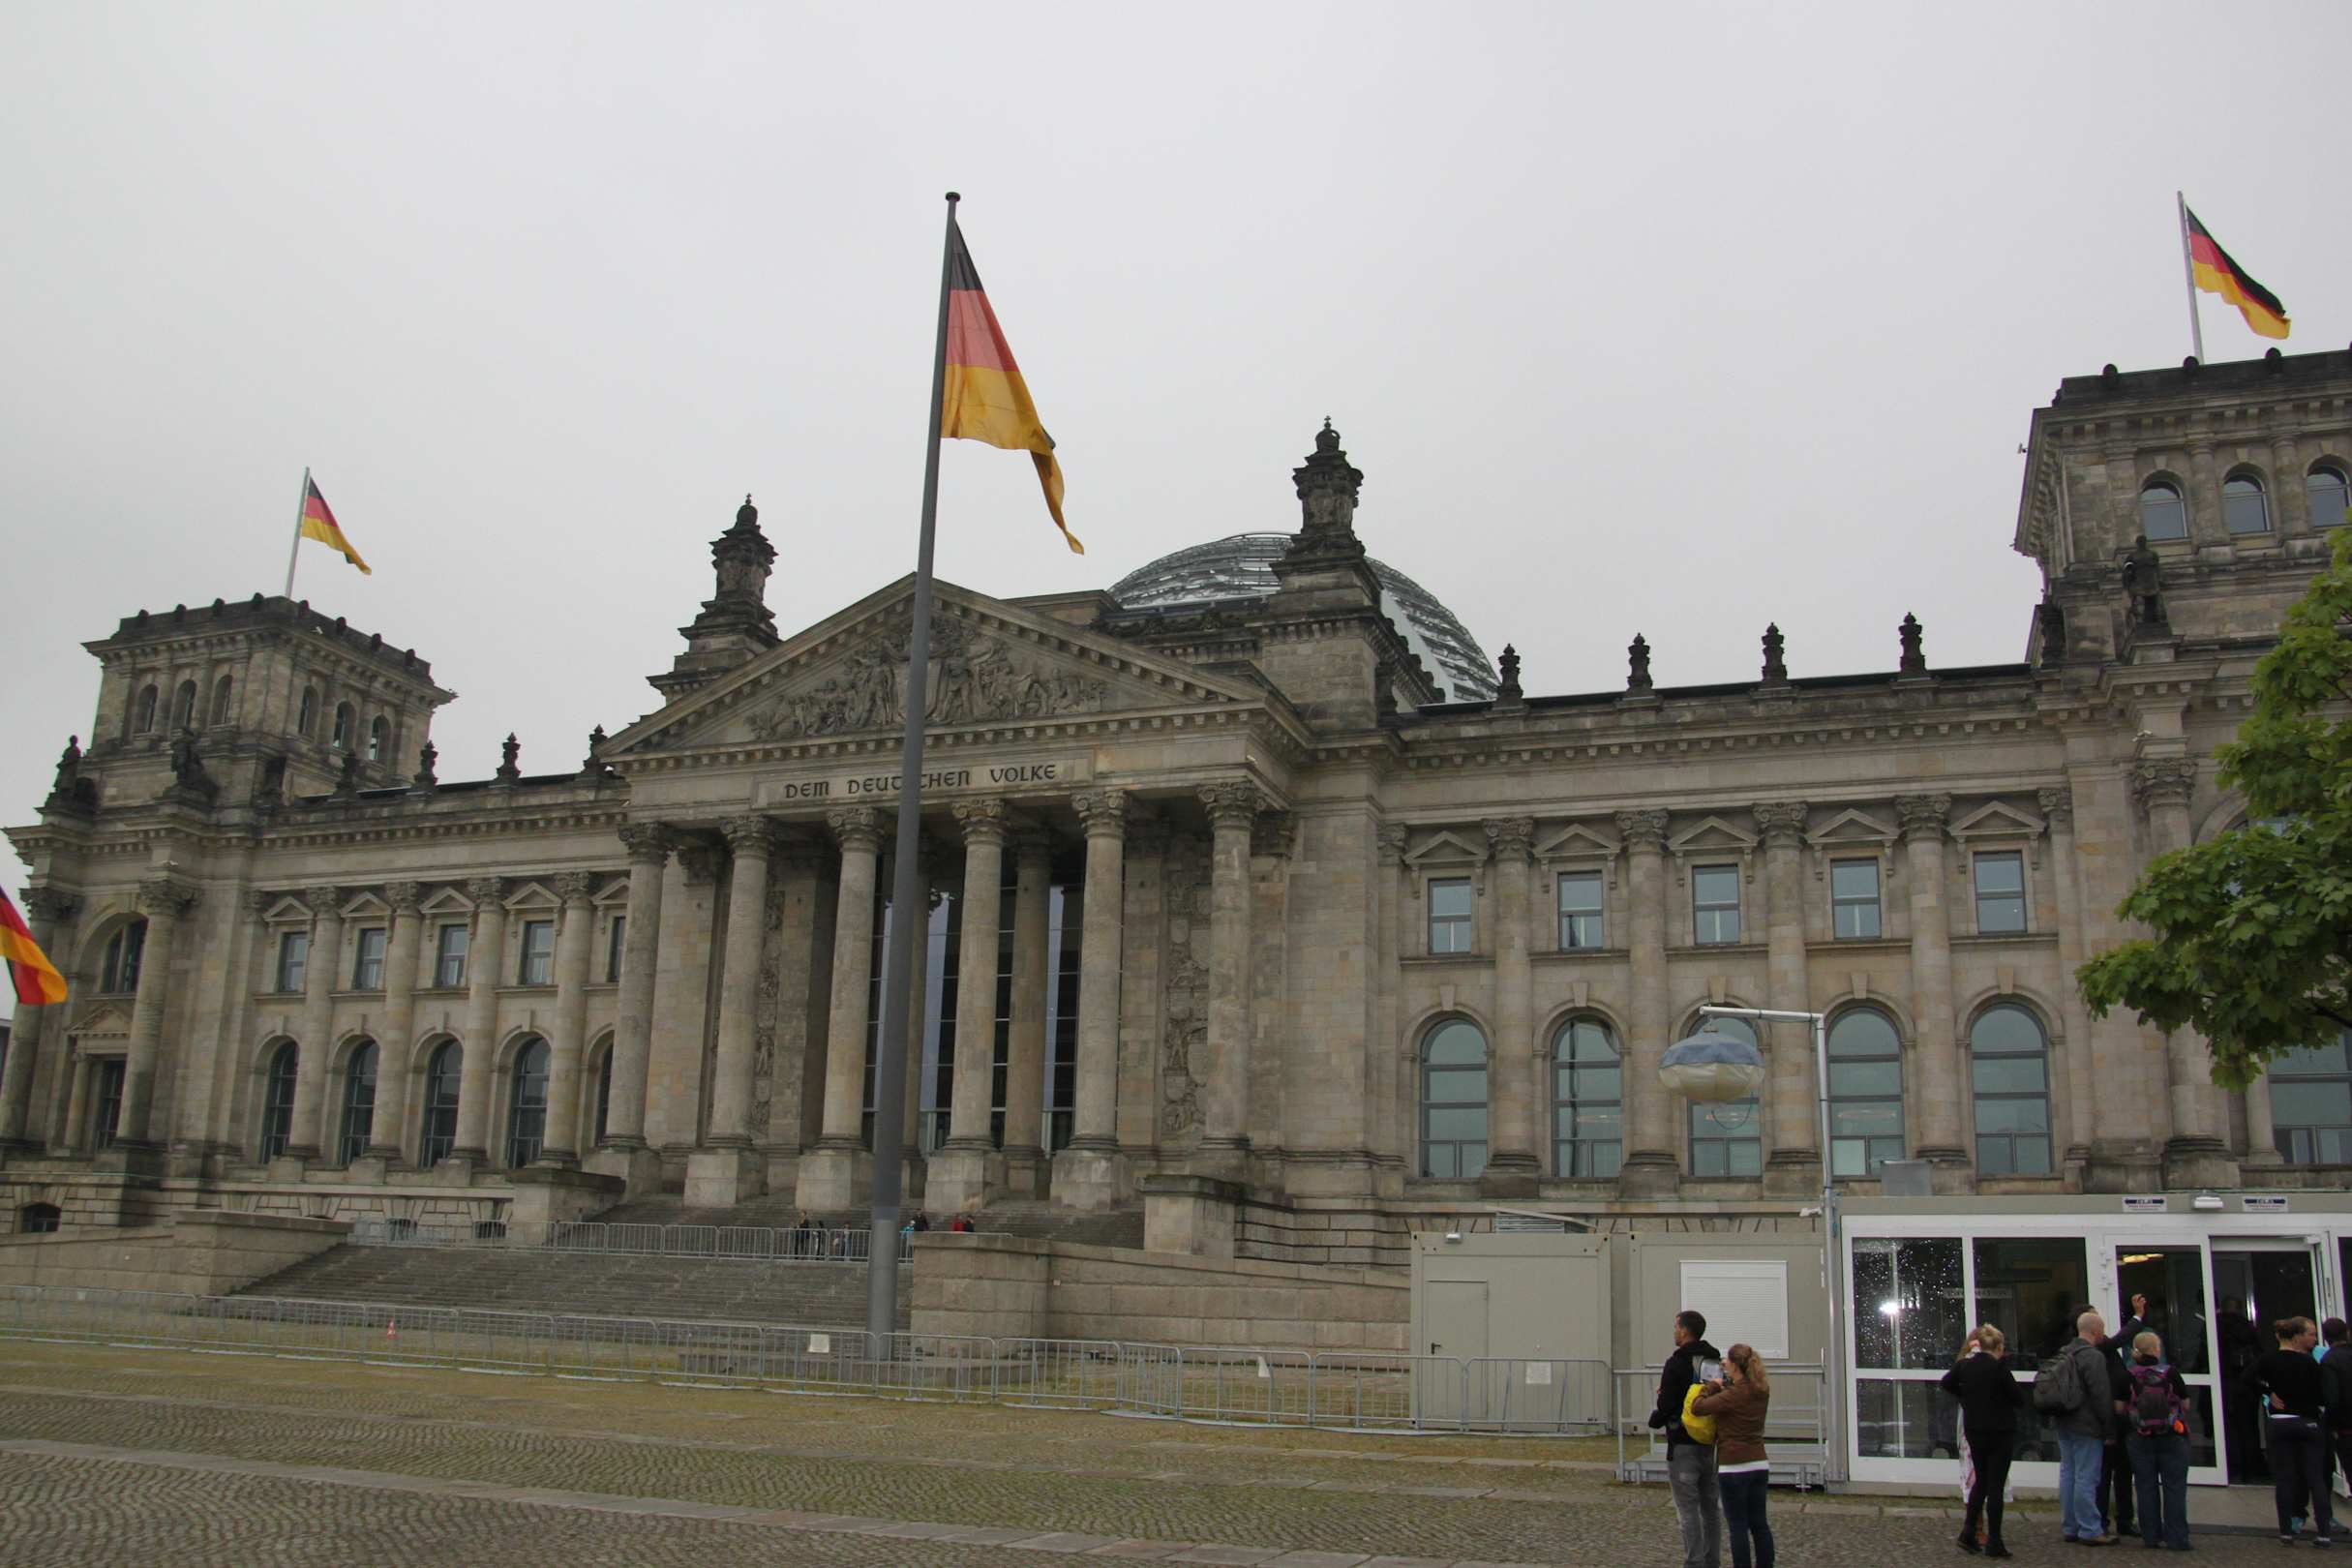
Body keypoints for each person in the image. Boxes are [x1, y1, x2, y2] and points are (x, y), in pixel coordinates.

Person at [2244, 1315, 2333, 1545]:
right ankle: (2324, 1532)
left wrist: (2268, 1391)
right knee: (2316, 1477)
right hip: (2308, 1421)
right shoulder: (2309, 1363)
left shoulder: (2267, 1360)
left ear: (2277, 1337)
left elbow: (2247, 1378)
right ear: (2296, 1337)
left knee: (2284, 1478)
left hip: (2280, 1421)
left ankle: (2286, 1531)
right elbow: (2322, 1394)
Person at [1648, 1308, 1724, 1568]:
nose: (1674, 1331)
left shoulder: (1676, 1363)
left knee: (1688, 1509)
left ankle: (1693, 1562)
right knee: (1711, 1509)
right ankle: (1712, 1560)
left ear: (1684, 1330)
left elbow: (1667, 1404)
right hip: (1709, 1441)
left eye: (1676, 1327)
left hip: (1682, 1443)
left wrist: (1657, 1416)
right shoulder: (1714, 1361)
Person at [1942, 1324, 2025, 1558]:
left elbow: (1946, 1383)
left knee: (1981, 1481)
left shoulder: (1964, 1365)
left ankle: (1968, 1531)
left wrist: (1966, 1397)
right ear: (1998, 1347)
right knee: (1995, 1486)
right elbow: (2018, 1399)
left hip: (1975, 1430)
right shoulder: (1999, 1368)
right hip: (2000, 1431)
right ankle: (1994, 1541)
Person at [1693, 1342, 1773, 1568]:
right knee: (1759, 1524)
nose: (1723, 1363)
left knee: (1738, 1526)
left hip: (1733, 1466)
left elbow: (1698, 1407)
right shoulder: (1761, 1390)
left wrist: (1711, 1386)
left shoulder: (1732, 1395)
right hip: (1759, 1462)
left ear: (1735, 1365)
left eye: (1727, 1360)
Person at [2123, 1331, 2192, 1551]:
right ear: (2155, 1349)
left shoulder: (2128, 1374)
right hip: (2171, 1436)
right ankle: (2177, 1537)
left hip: (2139, 1437)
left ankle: (2151, 1536)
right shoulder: (2170, 1372)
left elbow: (2119, 1406)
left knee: (2145, 1486)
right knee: (2174, 1487)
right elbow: (2186, 1404)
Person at [2051, 1309, 2114, 1547]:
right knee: (2086, 1476)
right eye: (2102, 1330)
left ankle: (2070, 1526)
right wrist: (2109, 1428)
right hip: (2087, 1424)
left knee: (2068, 1473)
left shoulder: (2064, 1352)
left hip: (2064, 1420)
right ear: (2095, 1331)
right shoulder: (2093, 1357)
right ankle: (2090, 1528)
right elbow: (2101, 1394)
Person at [2093, 1314, 2135, 1543]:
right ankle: (2102, 1520)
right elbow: (2123, 1337)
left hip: (2120, 1421)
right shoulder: (2098, 1349)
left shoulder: (2106, 1351)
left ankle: (2124, 1518)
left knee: (2123, 1471)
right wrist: (2138, 1316)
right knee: (2104, 1473)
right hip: (2107, 1421)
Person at [2322, 1318, 2352, 1504]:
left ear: (2326, 1338)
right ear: (2347, 1333)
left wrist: (2331, 1426)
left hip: (2346, 1428)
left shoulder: (2330, 1360)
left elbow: (2332, 1398)